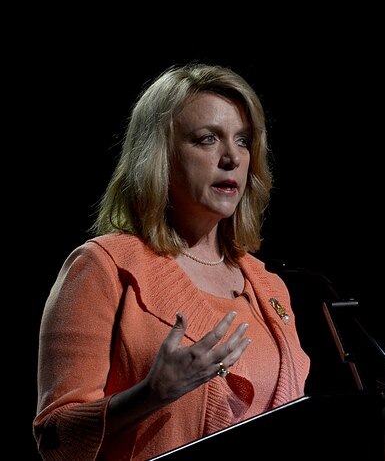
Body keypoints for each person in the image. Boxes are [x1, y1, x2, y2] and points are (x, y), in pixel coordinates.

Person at [33, 62, 311, 460]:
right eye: (207, 139)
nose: (232, 157)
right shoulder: (104, 267)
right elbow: (54, 438)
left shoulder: (268, 287)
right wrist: (151, 394)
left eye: (244, 141)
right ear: (159, 155)